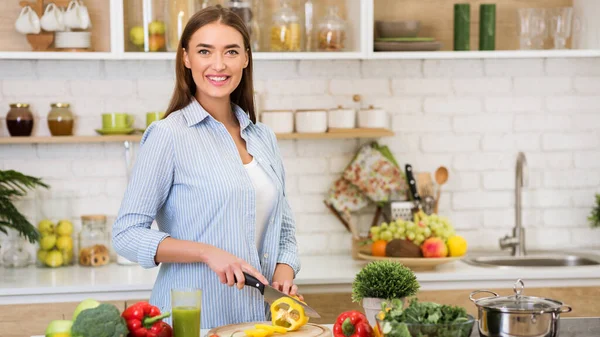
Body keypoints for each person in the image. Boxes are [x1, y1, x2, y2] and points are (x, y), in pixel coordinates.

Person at [112, 5, 301, 329]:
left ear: (245, 58)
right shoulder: (168, 136)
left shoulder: (263, 137)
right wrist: (206, 252)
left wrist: (284, 271)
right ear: (186, 58)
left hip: (262, 321)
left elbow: (283, 227)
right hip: (195, 323)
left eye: (230, 51)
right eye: (204, 51)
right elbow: (126, 235)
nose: (218, 64)